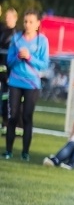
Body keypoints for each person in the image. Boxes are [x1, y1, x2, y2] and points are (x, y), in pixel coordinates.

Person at [4, 10, 49, 161]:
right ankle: (8, 151)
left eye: (31, 22)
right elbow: (9, 61)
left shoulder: (42, 41)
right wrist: (18, 57)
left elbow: (44, 64)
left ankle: (25, 153)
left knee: (27, 117)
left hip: (32, 84)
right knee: (12, 117)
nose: (28, 25)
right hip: (15, 82)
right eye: (25, 22)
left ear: (37, 24)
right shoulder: (16, 39)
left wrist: (30, 57)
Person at [0, 7, 19, 133]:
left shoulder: (15, 35)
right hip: (2, 71)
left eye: (10, 17)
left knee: (7, 99)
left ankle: (8, 124)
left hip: (8, 72)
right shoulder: (3, 32)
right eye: (6, 17)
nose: (8, 19)